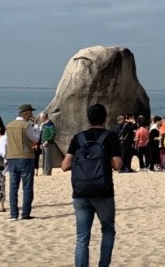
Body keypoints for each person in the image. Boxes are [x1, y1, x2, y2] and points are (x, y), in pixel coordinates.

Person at [61, 102, 122, 267]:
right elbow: (117, 165)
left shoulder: (78, 138)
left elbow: (65, 165)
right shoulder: (110, 137)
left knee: (82, 237)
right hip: (103, 191)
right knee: (108, 229)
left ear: (87, 119)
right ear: (105, 118)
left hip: (80, 192)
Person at [5, 102, 40, 220]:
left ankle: (13, 214)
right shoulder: (26, 125)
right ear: (25, 113)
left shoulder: (9, 126)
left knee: (13, 188)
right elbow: (35, 138)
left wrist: (7, 156)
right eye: (30, 112)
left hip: (12, 158)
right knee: (27, 187)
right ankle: (25, 214)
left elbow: (6, 143)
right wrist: (36, 126)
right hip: (25, 157)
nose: (32, 114)